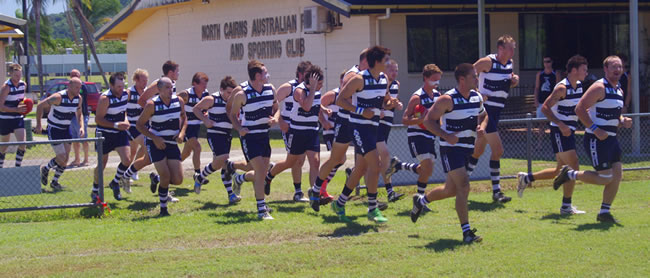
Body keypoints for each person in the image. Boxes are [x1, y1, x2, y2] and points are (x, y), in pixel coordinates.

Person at [411, 63, 488, 244]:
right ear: (462, 79)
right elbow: (428, 121)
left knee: (450, 190)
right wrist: (446, 135)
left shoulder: (477, 97)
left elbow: (484, 115)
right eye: (474, 76)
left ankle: (421, 201)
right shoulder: (447, 100)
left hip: (467, 148)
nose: (477, 79)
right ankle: (467, 232)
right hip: (450, 149)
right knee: (464, 185)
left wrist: (481, 127)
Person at [553, 56, 633, 224]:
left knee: (617, 176)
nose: (618, 69)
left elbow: (614, 114)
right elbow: (580, 108)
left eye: (620, 66)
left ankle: (604, 212)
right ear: (605, 69)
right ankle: (570, 174)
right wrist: (595, 129)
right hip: (596, 140)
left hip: (612, 140)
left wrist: (622, 120)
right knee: (605, 178)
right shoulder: (599, 87)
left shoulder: (619, 89)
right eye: (613, 67)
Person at [327, 45, 392, 223]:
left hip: (374, 127)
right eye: (386, 60)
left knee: (361, 169)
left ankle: (339, 203)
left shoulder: (384, 79)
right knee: (376, 165)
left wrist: (390, 102)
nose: (389, 63)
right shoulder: (358, 79)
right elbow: (340, 100)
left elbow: (383, 99)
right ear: (376, 62)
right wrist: (361, 110)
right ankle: (372, 208)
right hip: (358, 127)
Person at [517, 55, 589, 215]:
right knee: (574, 165)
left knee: (559, 170)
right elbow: (545, 108)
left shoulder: (579, 86)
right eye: (584, 69)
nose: (587, 72)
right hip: (559, 131)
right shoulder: (561, 88)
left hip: (568, 130)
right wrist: (561, 124)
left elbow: (576, 108)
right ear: (574, 70)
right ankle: (566, 206)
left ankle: (526, 178)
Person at [308, 49, 368, 209]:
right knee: (337, 159)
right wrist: (324, 120)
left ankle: (368, 202)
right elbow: (334, 100)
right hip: (345, 122)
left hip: (360, 123)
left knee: (368, 161)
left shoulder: (370, 77)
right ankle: (317, 189)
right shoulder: (352, 75)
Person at [466, 34, 520, 203]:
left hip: (497, 111)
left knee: (478, 151)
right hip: (485, 112)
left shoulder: (509, 64)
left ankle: (459, 183)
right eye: (510, 48)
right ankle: (497, 192)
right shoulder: (488, 62)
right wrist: (477, 93)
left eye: (514, 48)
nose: (513, 52)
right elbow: (469, 74)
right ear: (501, 49)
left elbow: (508, 81)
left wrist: (514, 81)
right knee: (498, 151)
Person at [385, 64, 442, 207]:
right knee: (427, 166)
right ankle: (420, 200)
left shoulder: (437, 96)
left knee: (426, 170)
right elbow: (405, 119)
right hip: (417, 134)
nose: (437, 83)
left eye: (438, 80)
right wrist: (420, 120)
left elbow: (439, 116)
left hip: (431, 134)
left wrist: (442, 128)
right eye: (434, 79)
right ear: (425, 78)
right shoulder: (417, 97)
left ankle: (399, 165)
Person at [229, 60, 279, 220]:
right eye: (265, 72)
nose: (268, 75)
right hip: (250, 137)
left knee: (263, 173)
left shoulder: (270, 90)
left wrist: (275, 118)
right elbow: (232, 114)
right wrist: (239, 128)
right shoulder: (242, 94)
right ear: (258, 76)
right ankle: (261, 210)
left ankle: (239, 178)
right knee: (260, 172)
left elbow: (277, 109)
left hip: (264, 135)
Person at [265, 66, 323, 202]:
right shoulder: (299, 91)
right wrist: (280, 121)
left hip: (312, 131)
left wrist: (324, 116)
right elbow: (307, 106)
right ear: (311, 81)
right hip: (297, 131)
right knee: (292, 162)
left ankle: (315, 195)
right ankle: (269, 176)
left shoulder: (317, 91)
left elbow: (315, 107)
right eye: (319, 83)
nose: (321, 86)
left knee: (315, 162)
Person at [193, 76, 251, 204]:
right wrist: (206, 120)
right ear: (221, 90)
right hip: (215, 134)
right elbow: (196, 109)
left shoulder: (235, 101)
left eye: (232, 93)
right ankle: (230, 192)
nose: (230, 96)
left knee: (222, 165)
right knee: (224, 158)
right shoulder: (212, 99)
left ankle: (202, 178)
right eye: (228, 93)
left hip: (227, 135)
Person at [136, 77, 187, 217]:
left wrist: (182, 133)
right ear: (159, 90)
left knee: (178, 180)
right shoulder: (152, 105)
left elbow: (184, 118)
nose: (170, 91)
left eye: (172, 87)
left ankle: (156, 179)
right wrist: (155, 138)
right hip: (156, 143)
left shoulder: (179, 101)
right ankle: (163, 209)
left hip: (171, 143)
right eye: (167, 88)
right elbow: (139, 125)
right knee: (166, 176)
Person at [36, 77, 84, 191]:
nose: (78, 90)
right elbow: (40, 106)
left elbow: (79, 113)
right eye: (76, 87)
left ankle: (55, 182)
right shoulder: (58, 97)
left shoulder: (78, 99)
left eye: (80, 87)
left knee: (66, 159)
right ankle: (46, 169)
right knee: (61, 157)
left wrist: (81, 126)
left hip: (66, 129)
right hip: (55, 129)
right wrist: (38, 124)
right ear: (69, 86)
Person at [274, 61, 312, 199]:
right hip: (289, 126)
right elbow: (272, 104)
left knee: (302, 160)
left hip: (303, 127)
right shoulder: (288, 87)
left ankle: (272, 170)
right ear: (301, 74)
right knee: (296, 160)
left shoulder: (310, 88)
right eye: (308, 74)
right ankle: (298, 192)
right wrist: (280, 121)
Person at [91, 72, 132, 201]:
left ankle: (115, 182)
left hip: (119, 133)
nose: (121, 89)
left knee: (127, 160)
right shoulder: (105, 98)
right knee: (102, 163)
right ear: (111, 85)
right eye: (118, 86)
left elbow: (123, 110)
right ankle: (95, 189)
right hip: (104, 134)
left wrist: (125, 120)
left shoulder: (126, 94)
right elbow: (98, 119)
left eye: (123, 85)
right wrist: (115, 125)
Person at [376, 59, 404, 202]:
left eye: (396, 70)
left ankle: (389, 192)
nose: (394, 73)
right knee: (384, 156)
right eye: (391, 70)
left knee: (380, 160)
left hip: (387, 123)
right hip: (376, 123)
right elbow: (379, 101)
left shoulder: (396, 85)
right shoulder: (381, 82)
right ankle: (386, 193)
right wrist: (380, 109)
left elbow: (390, 103)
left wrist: (397, 104)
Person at [178, 72, 210, 184]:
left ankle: (163, 172)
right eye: (202, 84)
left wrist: (205, 113)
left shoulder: (205, 94)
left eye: (206, 83)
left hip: (196, 127)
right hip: (186, 126)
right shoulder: (186, 94)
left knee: (186, 153)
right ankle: (197, 174)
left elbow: (205, 108)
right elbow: (172, 104)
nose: (205, 86)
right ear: (194, 84)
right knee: (197, 147)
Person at [124, 69, 149, 186]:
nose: (145, 82)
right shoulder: (129, 92)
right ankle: (134, 169)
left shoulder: (146, 92)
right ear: (136, 80)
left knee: (133, 151)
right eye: (143, 80)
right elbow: (122, 108)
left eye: (146, 80)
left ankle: (126, 173)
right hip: (132, 125)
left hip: (143, 124)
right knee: (145, 145)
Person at [0, 63, 27, 169]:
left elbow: (21, 100)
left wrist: (25, 106)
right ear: (10, 74)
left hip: (17, 118)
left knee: (22, 143)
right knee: (4, 147)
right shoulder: (6, 87)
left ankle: (18, 167)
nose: (18, 78)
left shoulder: (23, 85)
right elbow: (1, 107)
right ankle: (1, 167)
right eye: (16, 76)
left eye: (20, 75)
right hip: (5, 119)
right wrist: (15, 109)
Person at [68, 69, 89, 168]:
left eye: (76, 75)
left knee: (83, 137)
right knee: (74, 138)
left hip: (82, 114)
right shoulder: (69, 86)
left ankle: (86, 159)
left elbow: (78, 96)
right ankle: (77, 159)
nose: (74, 76)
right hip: (71, 116)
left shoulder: (82, 87)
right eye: (72, 75)